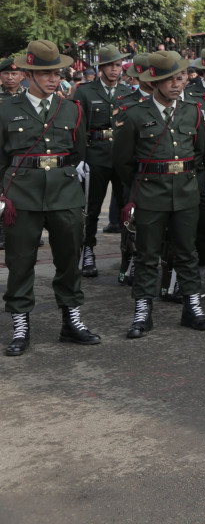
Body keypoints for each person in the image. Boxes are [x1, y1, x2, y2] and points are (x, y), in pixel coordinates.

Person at [1, 40, 99, 356]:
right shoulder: (6, 110)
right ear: (28, 74)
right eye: (45, 73)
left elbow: (77, 151)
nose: (53, 79)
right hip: (22, 194)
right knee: (20, 261)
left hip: (64, 192)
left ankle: (72, 321)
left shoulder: (71, 108)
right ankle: (20, 324)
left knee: (69, 258)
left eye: (56, 73)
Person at [112, 51, 205, 338]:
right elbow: (122, 161)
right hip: (150, 192)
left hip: (185, 191)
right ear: (154, 81)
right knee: (147, 254)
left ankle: (192, 307)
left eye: (180, 78)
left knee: (187, 252)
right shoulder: (135, 114)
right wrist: (143, 184)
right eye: (169, 79)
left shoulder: (193, 111)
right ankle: (142, 311)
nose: (176, 84)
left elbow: (199, 153)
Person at [70, 44, 135, 278]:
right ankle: (87, 249)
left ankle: (128, 255)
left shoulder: (127, 92)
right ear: (101, 67)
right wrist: (80, 158)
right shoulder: (85, 91)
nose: (115, 70)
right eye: (110, 65)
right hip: (95, 155)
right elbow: (78, 127)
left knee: (127, 208)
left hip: (122, 156)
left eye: (118, 65)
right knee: (91, 208)